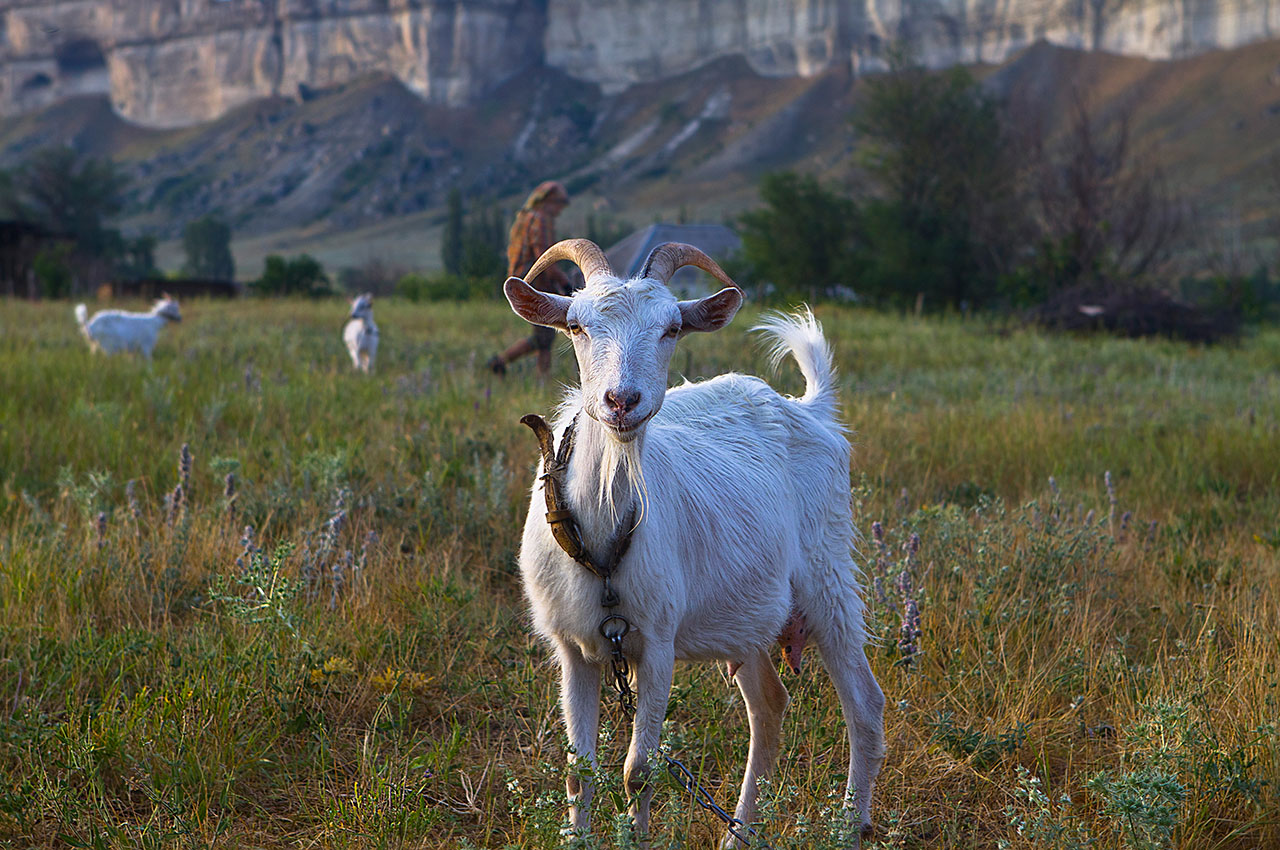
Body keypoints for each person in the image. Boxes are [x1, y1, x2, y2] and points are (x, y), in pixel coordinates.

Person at [487, 181, 572, 377]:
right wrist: (564, 283)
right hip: (536, 281)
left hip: (521, 279)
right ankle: (507, 364)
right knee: (545, 335)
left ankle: (503, 363)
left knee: (543, 335)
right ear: (548, 200)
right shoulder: (541, 219)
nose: (560, 210)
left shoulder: (524, 217)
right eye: (559, 203)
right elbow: (545, 256)